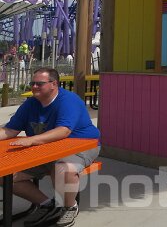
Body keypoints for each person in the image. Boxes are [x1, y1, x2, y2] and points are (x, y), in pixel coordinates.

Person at [0, 67, 100, 227]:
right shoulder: (30, 104)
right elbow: (11, 130)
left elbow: (64, 130)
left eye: (39, 84)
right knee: (5, 175)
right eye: (32, 83)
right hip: (45, 149)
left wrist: (32, 140)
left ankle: (69, 207)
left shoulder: (68, 100)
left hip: (79, 145)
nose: (34, 87)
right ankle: (47, 205)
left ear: (54, 84)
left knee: (63, 168)